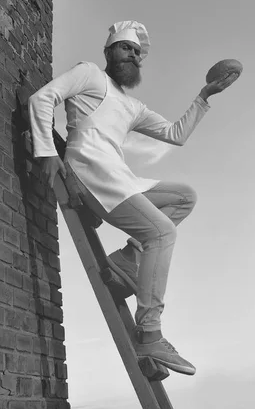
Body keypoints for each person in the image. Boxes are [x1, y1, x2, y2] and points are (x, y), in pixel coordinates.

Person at [28, 20, 236, 376]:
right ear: (110, 51)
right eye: (127, 48)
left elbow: (175, 134)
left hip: (120, 178)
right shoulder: (89, 74)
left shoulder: (133, 106)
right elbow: (42, 97)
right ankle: (150, 332)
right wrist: (47, 152)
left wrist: (204, 97)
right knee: (162, 233)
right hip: (90, 173)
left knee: (184, 197)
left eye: (138, 53)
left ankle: (127, 261)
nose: (134, 55)